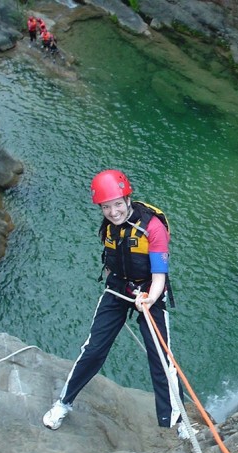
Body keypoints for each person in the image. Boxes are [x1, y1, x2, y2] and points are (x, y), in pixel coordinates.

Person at [43, 169, 187, 438]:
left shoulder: (152, 228)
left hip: (148, 291)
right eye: (106, 207)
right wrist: (118, 289)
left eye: (118, 204)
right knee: (93, 349)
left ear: (127, 199)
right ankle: (63, 403)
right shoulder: (108, 226)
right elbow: (111, 259)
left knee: (161, 357)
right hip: (118, 288)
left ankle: (179, 422)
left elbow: (159, 276)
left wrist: (149, 299)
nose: (113, 212)